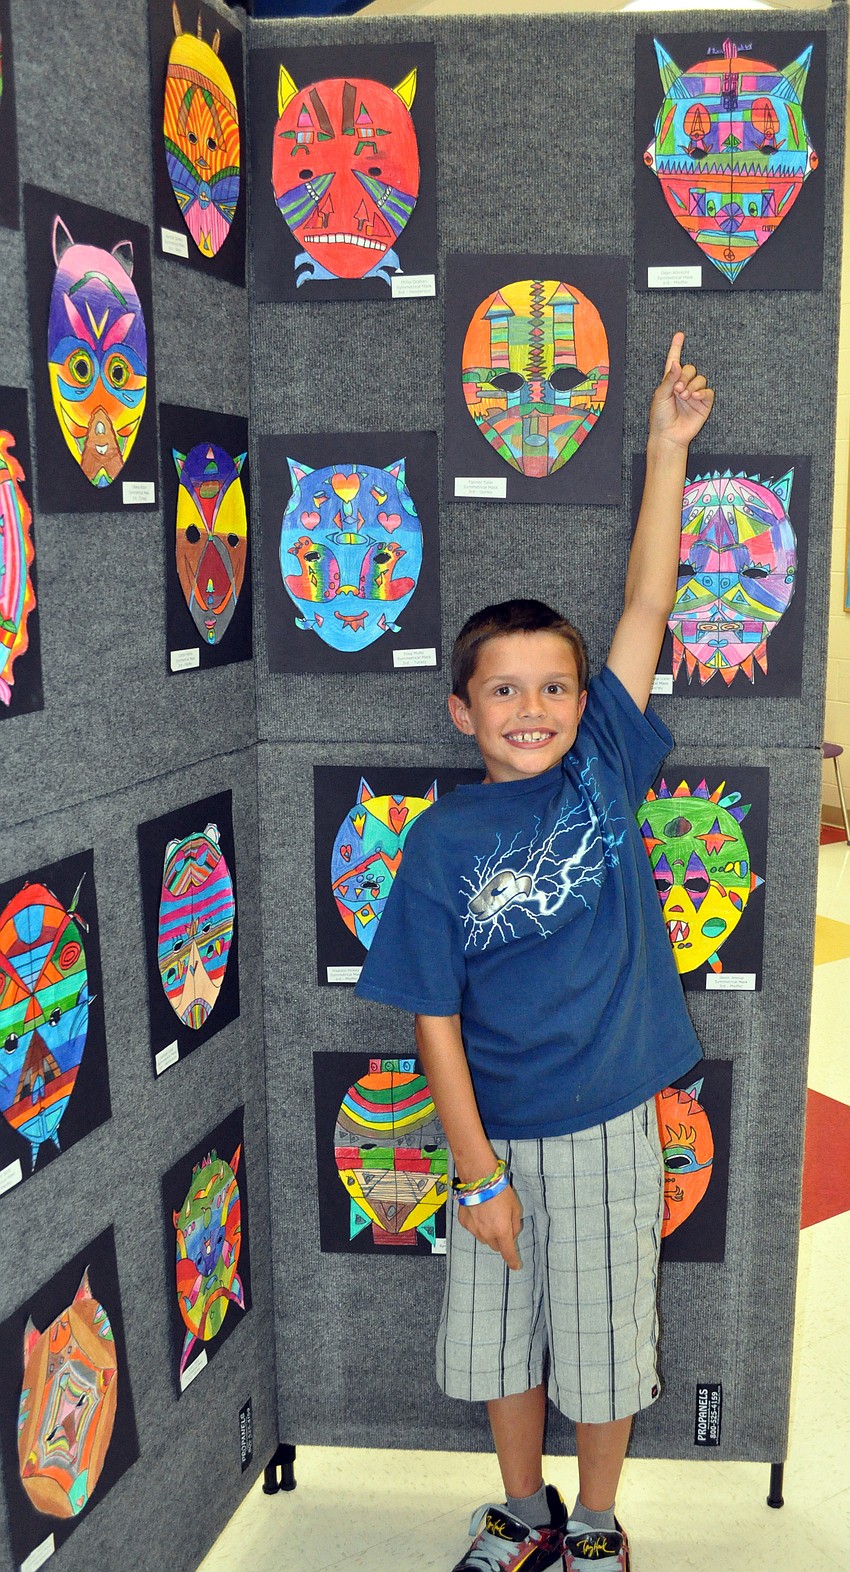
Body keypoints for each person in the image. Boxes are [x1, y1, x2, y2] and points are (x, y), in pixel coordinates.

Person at [355, 333, 714, 1571]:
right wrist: (476, 1170)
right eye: (502, 693)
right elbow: (431, 1018)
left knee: (607, 1340)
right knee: (501, 1341)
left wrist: (665, 448)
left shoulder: (607, 761)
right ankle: (524, 1509)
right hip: (491, 1135)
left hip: (611, 1120)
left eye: (553, 689)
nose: (531, 712)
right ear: (462, 711)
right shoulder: (442, 841)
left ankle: (599, 1522)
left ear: (583, 702)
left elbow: (647, 603)